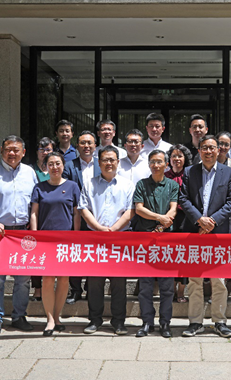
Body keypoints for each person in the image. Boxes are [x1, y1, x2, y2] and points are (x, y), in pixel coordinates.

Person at [179, 135, 231, 338]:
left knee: (219, 280)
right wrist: (199, 220)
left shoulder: (229, 173)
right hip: (195, 232)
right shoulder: (190, 172)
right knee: (195, 280)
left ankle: (220, 321)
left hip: (218, 234)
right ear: (199, 150)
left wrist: (212, 221)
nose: (208, 151)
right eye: (204, 147)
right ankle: (195, 322)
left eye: (212, 148)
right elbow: (184, 199)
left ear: (219, 150)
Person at [0, 135, 37, 335]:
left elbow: (36, 201)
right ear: (2, 151)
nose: (12, 153)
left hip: (23, 233)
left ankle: (19, 316)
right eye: (8, 149)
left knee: (23, 278)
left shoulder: (29, 173)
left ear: (23, 152)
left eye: (16, 150)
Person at [78, 145, 135, 335]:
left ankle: (118, 321)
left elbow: (130, 211)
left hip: (119, 239)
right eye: (105, 160)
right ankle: (95, 320)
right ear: (99, 162)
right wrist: (100, 229)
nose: (108, 163)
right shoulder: (89, 184)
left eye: (112, 160)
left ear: (118, 162)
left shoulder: (127, 185)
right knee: (95, 282)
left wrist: (114, 229)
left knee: (119, 283)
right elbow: (84, 209)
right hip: (95, 238)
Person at [29, 152, 81, 336]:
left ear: (63, 165)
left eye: (58, 163)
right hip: (46, 241)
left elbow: (77, 213)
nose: (54, 167)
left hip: (66, 240)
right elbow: (34, 213)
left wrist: (76, 236)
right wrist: (35, 236)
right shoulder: (39, 187)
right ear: (46, 167)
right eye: (50, 164)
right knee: (48, 279)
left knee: (64, 279)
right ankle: (50, 319)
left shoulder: (72, 186)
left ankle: (57, 316)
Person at [133, 150, 179, 338]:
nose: (156, 165)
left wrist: (161, 225)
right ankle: (147, 322)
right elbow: (139, 209)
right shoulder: (142, 184)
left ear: (166, 164)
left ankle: (165, 323)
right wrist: (160, 218)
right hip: (145, 240)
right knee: (145, 285)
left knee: (167, 286)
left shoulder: (172, 185)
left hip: (166, 241)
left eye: (159, 162)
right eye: (152, 161)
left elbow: (173, 209)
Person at [62, 130, 101, 304]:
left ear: (95, 146)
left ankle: (90, 289)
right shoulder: (69, 166)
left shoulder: (102, 164)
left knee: (93, 254)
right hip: (75, 217)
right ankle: (75, 289)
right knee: (76, 254)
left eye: (89, 143)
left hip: (97, 216)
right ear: (77, 146)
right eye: (83, 143)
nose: (86, 146)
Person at [165, 143, 193, 303]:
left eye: (180, 156)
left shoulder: (191, 174)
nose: (176, 159)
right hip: (168, 220)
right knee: (170, 256)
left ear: (185, 158)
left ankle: (181, 291)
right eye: (173, 156)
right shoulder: (164, 175)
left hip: (185, 220)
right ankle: (171, 290)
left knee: (184, 256)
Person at [30, 137, 56, 302]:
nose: (45, 153)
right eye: (42, 149)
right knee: (36, 255)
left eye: (48, 150)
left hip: (53, 217)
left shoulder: (58, 168)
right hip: (35, 217)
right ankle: (37, 288)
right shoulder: (30, 170)